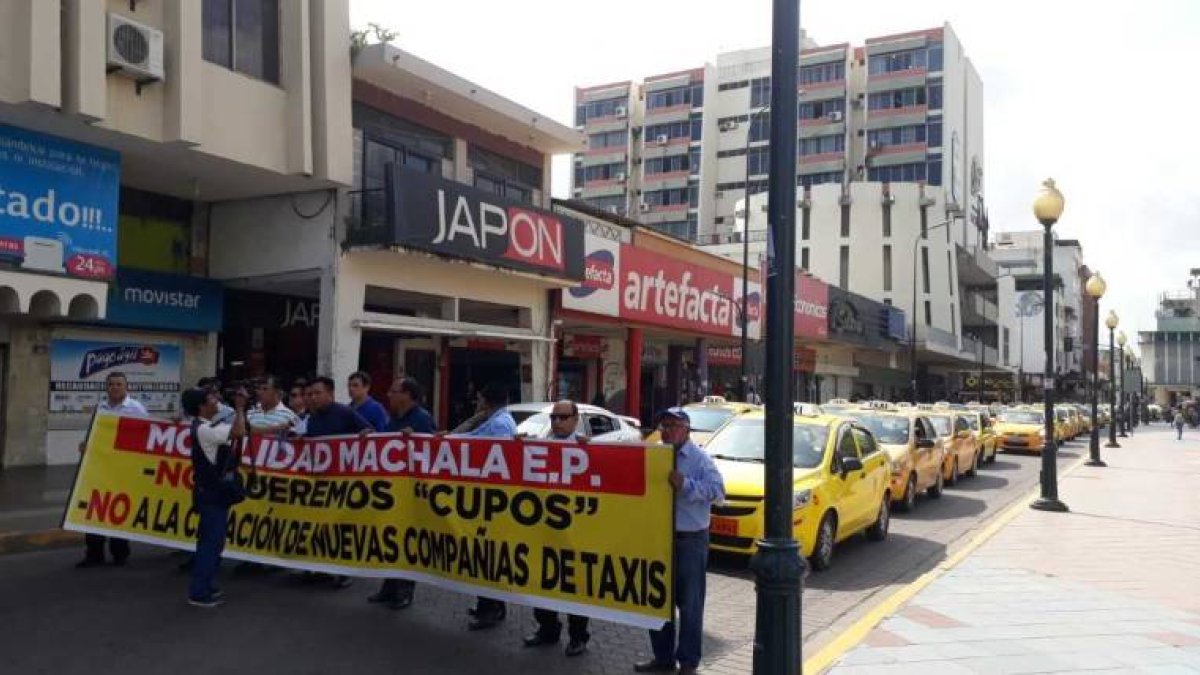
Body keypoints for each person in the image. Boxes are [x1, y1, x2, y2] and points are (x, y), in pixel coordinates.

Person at [634, 407, 724, 675]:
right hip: (658, 539)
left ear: (686, 429)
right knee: (657, 601)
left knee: (690, 605)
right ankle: (662, 658)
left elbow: (719, 493)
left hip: (689, 541)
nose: (667, 429)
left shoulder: (700, 460)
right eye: (664, 424)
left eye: (674, 425)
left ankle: (687, 663)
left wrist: (685, 485)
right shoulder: (655, 455)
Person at [522, 400, 591, 657]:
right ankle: (547, 629)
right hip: (543, 528)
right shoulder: (537, 444)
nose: (558, 422)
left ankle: (578, 637)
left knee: (574, 586)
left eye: (563, 417)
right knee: (542, 581)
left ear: (575, 419)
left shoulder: (586, 449)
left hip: (573, 531)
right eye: (554, 418)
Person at [367, 377, 436, 610]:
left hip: (411, 495)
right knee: (392, 540)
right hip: (393, 492)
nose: (389, 395)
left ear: (406, 395)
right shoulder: (393, 418)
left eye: (393, 391)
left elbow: (432, 454)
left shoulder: (422, 419)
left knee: (407, 543)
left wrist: (415, 440)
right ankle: (389, 587)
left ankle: (404, 591)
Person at [455, 382, 518, 631]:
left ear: (487, 401)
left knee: (488, 558)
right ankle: (488, 605)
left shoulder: (501, 424)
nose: (477, 403)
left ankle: (490, 609)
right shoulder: (494, 419)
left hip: (493, 500)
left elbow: (495, 457)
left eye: (480, 399)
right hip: (487, 498)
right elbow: (472, 438)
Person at [181, 386, 247, 607]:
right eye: (210, 398)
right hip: (212, 495)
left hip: (211, 494)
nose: (216, 400)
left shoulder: (206, 426)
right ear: (201, 405)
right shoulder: (204, 429)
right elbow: (238, 432)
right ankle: (199, 592)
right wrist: (239, 408)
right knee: (210, 544)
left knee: (212, 543)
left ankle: (206, 585)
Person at [304, 376, 373, 589]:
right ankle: (322, 568)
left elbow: (371, 433)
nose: (313, 398)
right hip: (320, 482)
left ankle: (344, 571)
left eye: (317, 393)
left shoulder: (344, 412)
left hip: (344, 483)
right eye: (310, 394)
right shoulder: (312, 417)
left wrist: (365, 435)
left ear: (330, 394)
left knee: (342, 529)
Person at [76, 372, 147, 569]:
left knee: (118, 510)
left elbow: (145, 437)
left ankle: (120, 553)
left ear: (126, 387)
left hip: (123, 470)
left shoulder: (136, 409)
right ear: (106, 387)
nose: (115, 387)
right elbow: (96, 433)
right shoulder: (101, 407)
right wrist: (86, 444)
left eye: (118, 384)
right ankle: (94, 554)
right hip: (100, 468)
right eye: (111, 384)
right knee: (94, 510)